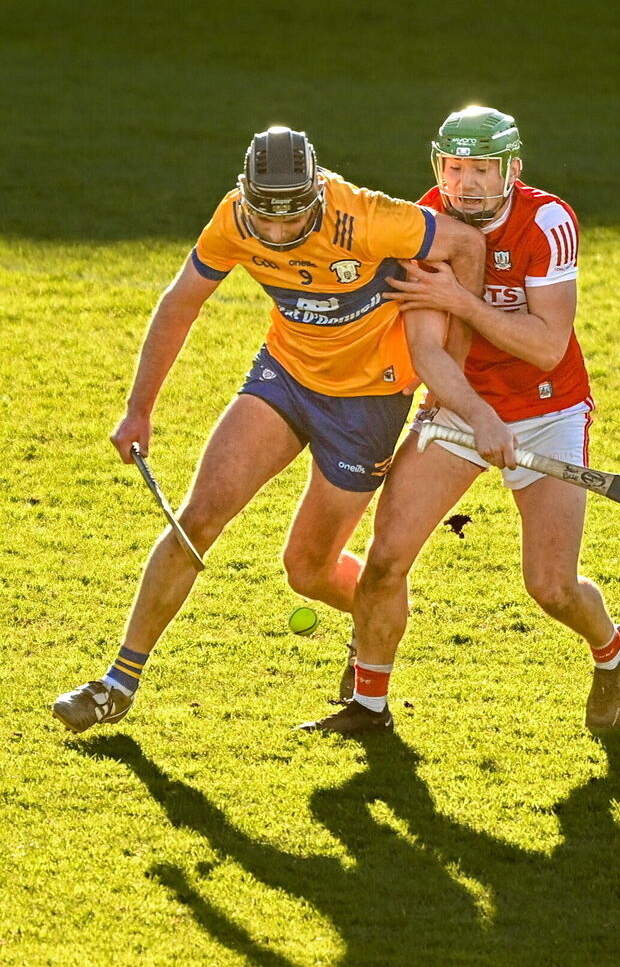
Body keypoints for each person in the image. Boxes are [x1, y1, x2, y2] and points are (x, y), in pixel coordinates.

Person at [53, 124, 512, 734]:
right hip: (285, 378)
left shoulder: (369, 217)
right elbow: (181, 301)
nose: (273, 234)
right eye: (263, 219)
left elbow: (465, 245)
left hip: (367, 403)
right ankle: (117, 683)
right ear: (246, 195)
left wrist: (450, 357)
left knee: (308, 568)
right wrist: (139, 408)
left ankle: (372, 623)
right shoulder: (234, 220)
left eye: (290, 221)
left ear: (317, 197)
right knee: (199, 516)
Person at [304, 106, 620, 736]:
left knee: (551, 587)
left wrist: (462, 301)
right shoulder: (424, 222)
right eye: (456, 168)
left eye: (482, 168)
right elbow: (429, 351)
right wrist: (475, 414)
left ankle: (612, 651)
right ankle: (368, 705)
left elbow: (546, 344)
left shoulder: (546, 221)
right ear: (440, 166)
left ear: (512, 168)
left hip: (547, 410)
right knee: (385, 559)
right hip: (459, 406)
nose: (467, 184)